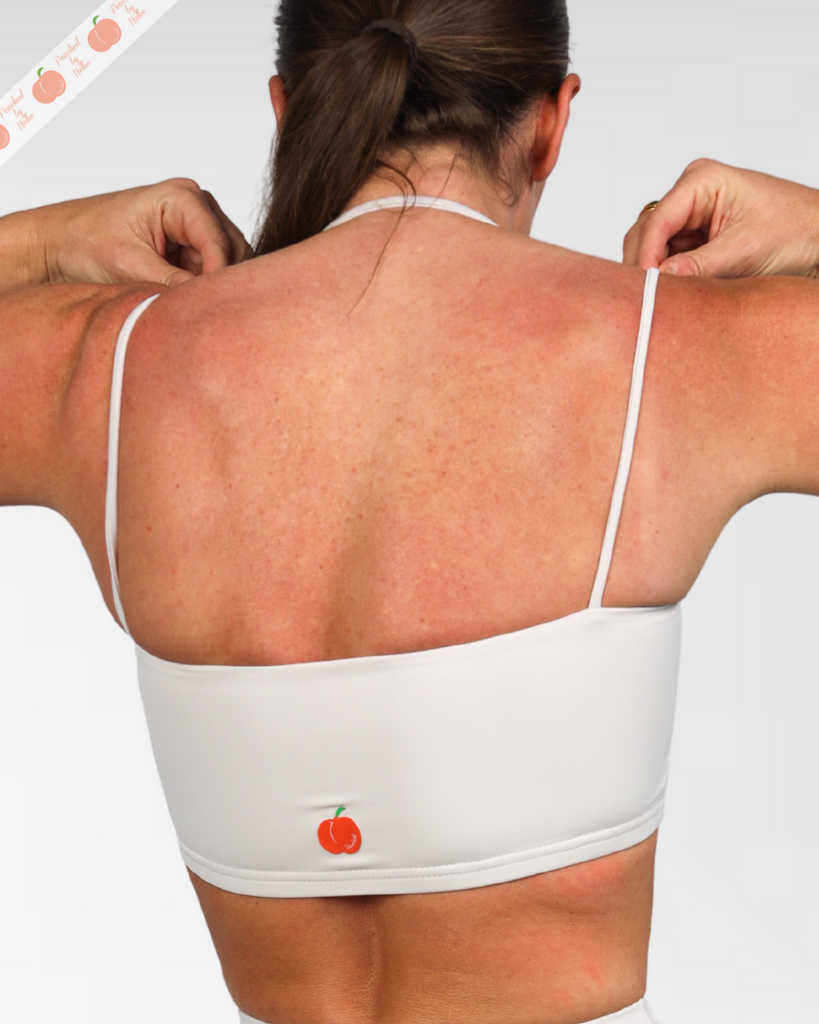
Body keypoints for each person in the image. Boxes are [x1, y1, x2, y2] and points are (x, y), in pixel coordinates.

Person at [1, 2, 818, 1022]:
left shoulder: (109, 367)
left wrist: (43, 239)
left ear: (288, 111)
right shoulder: (681, 352)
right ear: (552, 122)